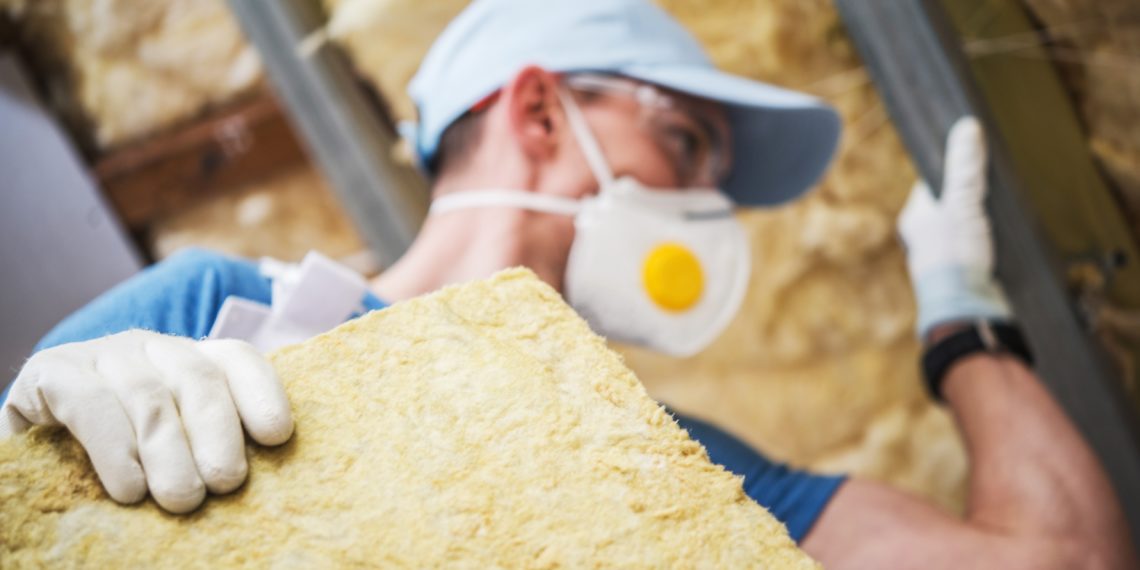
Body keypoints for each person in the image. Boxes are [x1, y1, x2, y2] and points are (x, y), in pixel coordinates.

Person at [2, 0, 1135, 567]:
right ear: (539, 112)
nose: (706, 212)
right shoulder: (202, 325)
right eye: (687, 146)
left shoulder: (677, 461)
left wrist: (963, 321)